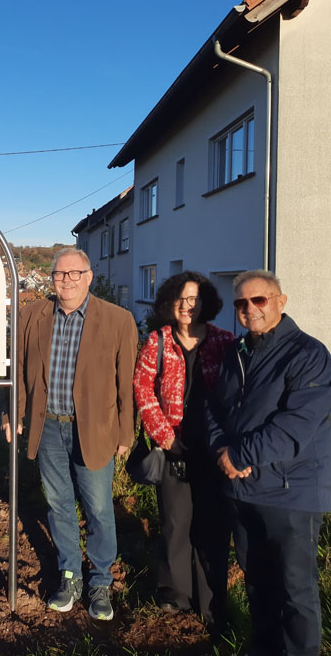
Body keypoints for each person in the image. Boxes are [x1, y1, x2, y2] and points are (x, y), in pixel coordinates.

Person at [207, 270, 331, 656]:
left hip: (290, 491)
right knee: (257, 581)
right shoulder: (237, 352)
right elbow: (215, 408)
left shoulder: (308, 355)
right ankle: (263, 647)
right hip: (243, 489)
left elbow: (296, 424)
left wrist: (241, 455)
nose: (250, 309)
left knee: (295, 588)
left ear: (281, 301)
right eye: (241, 303)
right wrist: (221, 451)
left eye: (259, 300)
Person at [2, 248, 137, 621]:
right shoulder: (33, 315)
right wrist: (12, 414)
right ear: (52, 277)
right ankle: (69, 576)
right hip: (47, 428)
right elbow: (19, 372)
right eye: (60, 274)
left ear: (89, 276)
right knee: (59, 505)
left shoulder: (117, 319)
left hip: (93, 429)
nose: (67, 280)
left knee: (97, 508)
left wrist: (126, 431)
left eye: (75, 273)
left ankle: (99, 581)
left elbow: (125, 384)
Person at [133, 271, 234, 633]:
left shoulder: (224, 342)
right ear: (169, 304)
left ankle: (211, 602)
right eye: (180, 299)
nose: (187, 306)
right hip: (174, 445)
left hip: (214, 448)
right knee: (175, 523)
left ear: (205, 302)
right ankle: (175, 594)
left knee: (212, 527)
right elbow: (143, 390)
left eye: (194, 299)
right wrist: (165, 437)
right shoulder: (157, 341)